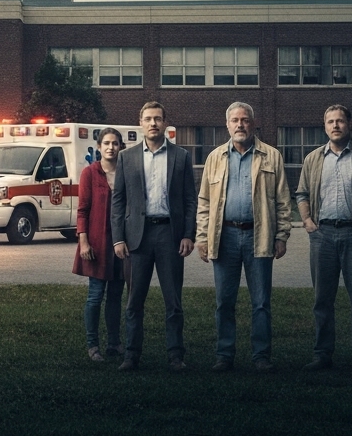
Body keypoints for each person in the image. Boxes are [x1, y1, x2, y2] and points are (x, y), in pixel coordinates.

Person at [196, 101, 291, 373]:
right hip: (224, 237)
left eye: (245, 120)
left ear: (253, 123)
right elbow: (204, 201)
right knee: (224, 302)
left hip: (258, 237)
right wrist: (202, 237)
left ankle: (261, 356)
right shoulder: (215, 158)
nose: (240, 124)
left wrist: (282, 235)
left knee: (261, 302)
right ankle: (224, 355)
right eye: (235, 120)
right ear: (227, 125)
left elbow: (284, 201)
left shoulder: (271, 156)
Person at [295, 104, 352, 372]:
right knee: (322, 299)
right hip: (321, 235)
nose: (335, 125)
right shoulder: (313, 159)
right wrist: (308, 221)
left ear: (350, 124)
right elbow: (301, 193)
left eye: (340, 121)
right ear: (325, 126)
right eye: (330, 122)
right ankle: (322, 353)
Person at [112, 101, 197, 372]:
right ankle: (132, 355)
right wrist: (118, 238)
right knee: (135, 299)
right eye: (148, 118)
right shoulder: (127, 157)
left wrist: (188, 234)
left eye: (158, 119)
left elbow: (189, 200)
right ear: (140, 122)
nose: (153, 123)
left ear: (165, 123)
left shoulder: (181, 156)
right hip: (138, 236)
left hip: (170, 235)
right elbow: (119, 201)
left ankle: (175, 355)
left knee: (173, 300)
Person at [73, 127, 128, 362]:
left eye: (115, 143)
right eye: (106, 143)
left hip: (120, 244)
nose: (110, 147)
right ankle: (92, 345)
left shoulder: (126, 172)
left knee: (116, 296)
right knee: (95, 296)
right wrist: (83, 241)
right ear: (98, 147)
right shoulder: (90, 173)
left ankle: (114, 343)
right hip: (95, 243)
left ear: (120, 147)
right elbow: (82, 210)